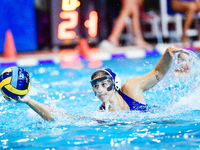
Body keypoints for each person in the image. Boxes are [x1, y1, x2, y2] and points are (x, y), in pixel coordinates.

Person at [4, 46, 191, 121]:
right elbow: (59, 117)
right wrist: (28, 100)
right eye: (95, 86)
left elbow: (158, 72)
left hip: (162, 118)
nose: (99, 90)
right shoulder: (101, 115)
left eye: (103, 84)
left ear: (114, 84)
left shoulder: (132, 88)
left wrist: (169, 52)